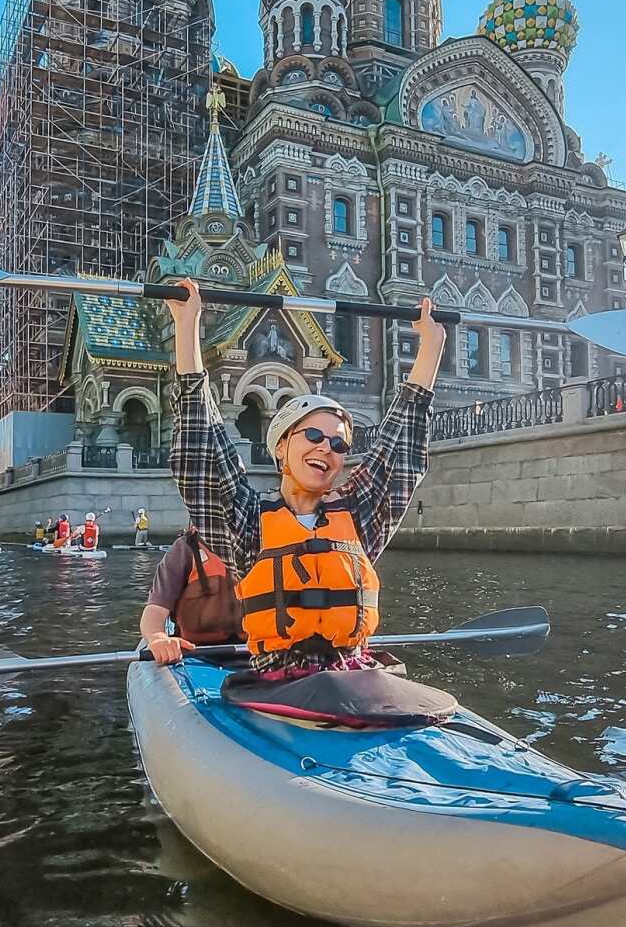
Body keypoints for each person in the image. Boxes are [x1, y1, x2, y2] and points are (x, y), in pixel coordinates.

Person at [167, 278, 445, 676]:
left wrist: (431, 347)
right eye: (313, 435)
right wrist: (188, 325)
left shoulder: (360, 516)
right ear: (281, 446)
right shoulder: (248, 522)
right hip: (279, 683)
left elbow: (399, 450)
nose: (326, 449)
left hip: (353, 677)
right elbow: (203, 445)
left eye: (339, 445)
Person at [139, 526, 242, 663]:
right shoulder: (184, 550)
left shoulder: (263, 546)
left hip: (255, 649)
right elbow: (155, 610)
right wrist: (158, 637)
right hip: (195, 654)